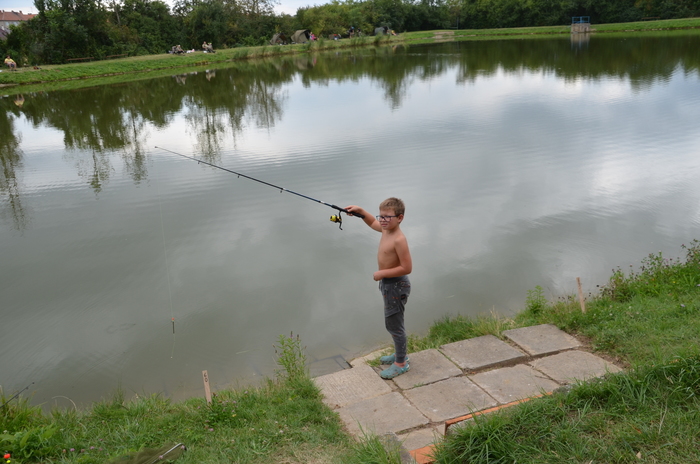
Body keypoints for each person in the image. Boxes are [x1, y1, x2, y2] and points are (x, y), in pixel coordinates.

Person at [345, 198, 413, 379]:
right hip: (389, 285)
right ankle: (399, 354)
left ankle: (401, 363)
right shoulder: (386, 229)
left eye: (387, 217)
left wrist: (382, 273)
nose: (382, 220)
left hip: (397, 286)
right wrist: (360, 212)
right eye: (381, 216)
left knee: (394, 325)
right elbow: (372, 222)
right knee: (392, 323)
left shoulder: (399, 239)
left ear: (400, 218)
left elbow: (407, 268)